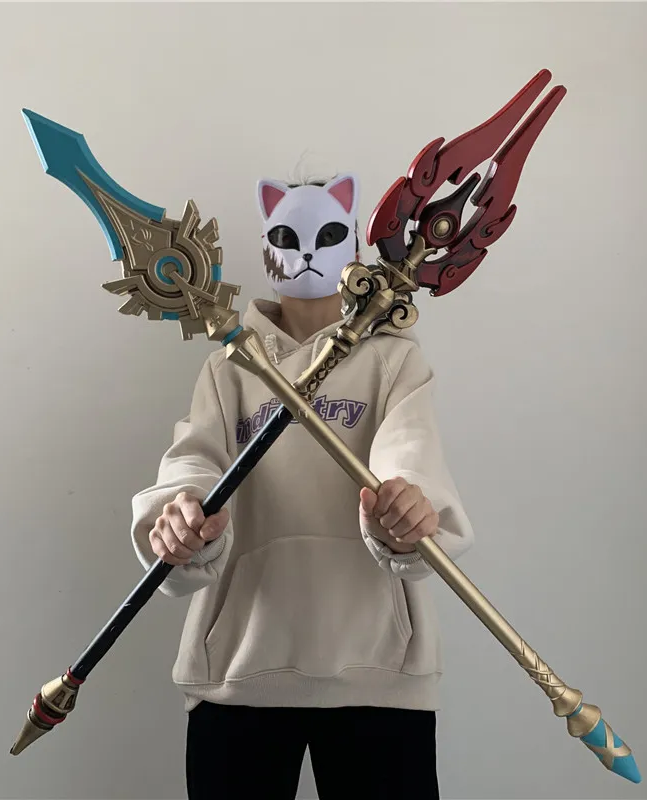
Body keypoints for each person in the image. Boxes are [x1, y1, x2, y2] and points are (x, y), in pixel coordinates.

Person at [131, 173, 474, 799]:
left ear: (356, 246)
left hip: (378, 670)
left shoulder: (394, 359)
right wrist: (180, 515)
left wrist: (406, 508)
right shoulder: (229, 367)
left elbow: (409, 453)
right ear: (266, 243)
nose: (309, 252)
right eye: (288, 236)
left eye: (329, 234)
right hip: (240, 667)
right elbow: (194, 460)